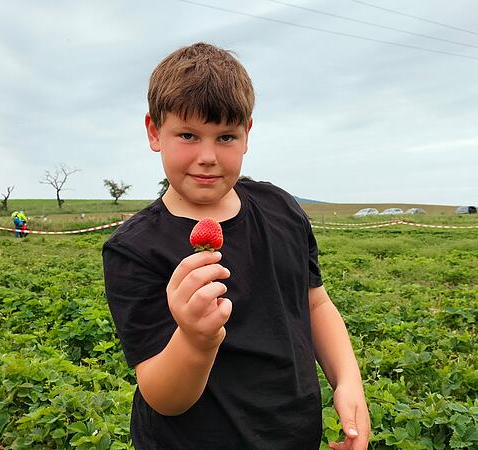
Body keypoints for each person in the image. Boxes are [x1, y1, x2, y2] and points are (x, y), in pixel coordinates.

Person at [102, 43, 370, 449]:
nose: (207, 156)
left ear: (247, 135)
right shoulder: (134, 248)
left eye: (226, 136)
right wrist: (195, 339)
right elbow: (162, 396)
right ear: (154, 132)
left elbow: (315, 303)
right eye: (188, 135)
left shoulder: (281, 209)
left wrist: (348, 380)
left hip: (293, 433)